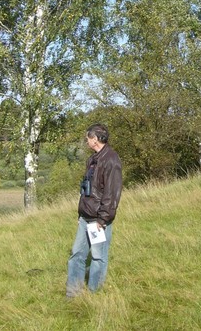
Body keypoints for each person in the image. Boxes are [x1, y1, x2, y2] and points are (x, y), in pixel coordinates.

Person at [66, 123, 122, 296]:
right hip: (85, 217)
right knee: (76, 254)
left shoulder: (111, 159)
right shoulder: (92, 159)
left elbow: (112, 194)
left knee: (98, 257)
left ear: (95, 139)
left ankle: (93, 294)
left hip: (98, 220)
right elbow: (86, 189)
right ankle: (73, 292)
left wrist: (102, 220)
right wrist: (80, 213)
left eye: (88, 138)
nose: (86, 141)